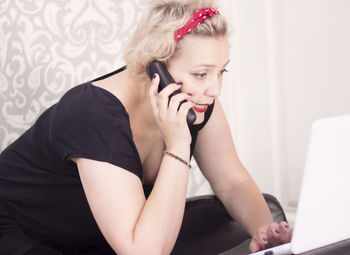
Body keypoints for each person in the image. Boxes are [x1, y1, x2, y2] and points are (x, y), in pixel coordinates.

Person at [0, 0, 292, 254]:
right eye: (201, 73)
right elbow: (143, 251)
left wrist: (265, 232)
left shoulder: (196, 101)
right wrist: (177, 145)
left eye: (221, 71)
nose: (214, 89)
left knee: (259, 209)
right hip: (20, 232)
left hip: (101, 234)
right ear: (156, 69)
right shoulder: (92, 114)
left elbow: (233, 183)